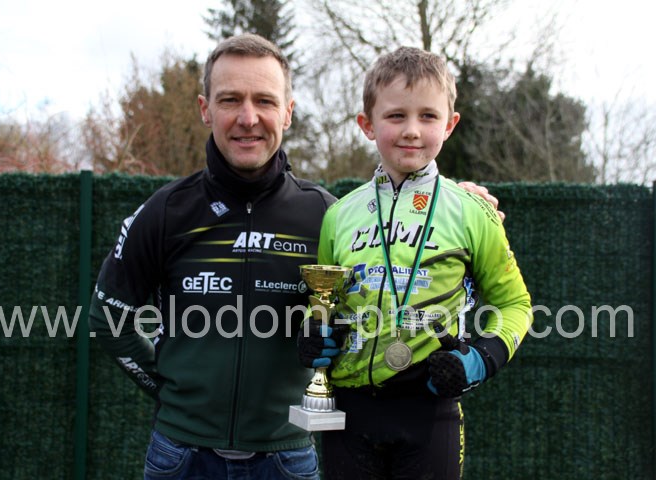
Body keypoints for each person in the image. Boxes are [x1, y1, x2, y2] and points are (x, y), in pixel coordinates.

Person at [90, 34, 504, 480]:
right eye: (230, 100)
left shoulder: (329, 215)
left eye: (265, 101)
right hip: (179, 457)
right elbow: (108, 319)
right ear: (205, 109)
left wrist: (463, 202)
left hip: (287, 459)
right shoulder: (165, 211)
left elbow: (383, 289)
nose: (248, 118)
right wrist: (170, 394)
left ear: (288, 111)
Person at [297, 47, 532, 480]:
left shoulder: (473, 211)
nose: (411, 130)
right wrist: (316, 334)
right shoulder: (340, 215)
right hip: (350, 412)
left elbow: (516, 305)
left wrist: (481, 360)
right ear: (367, 124)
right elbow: (325, 304)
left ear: (450, 124)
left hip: (430, 409)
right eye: (395, 116)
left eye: (428, 116)